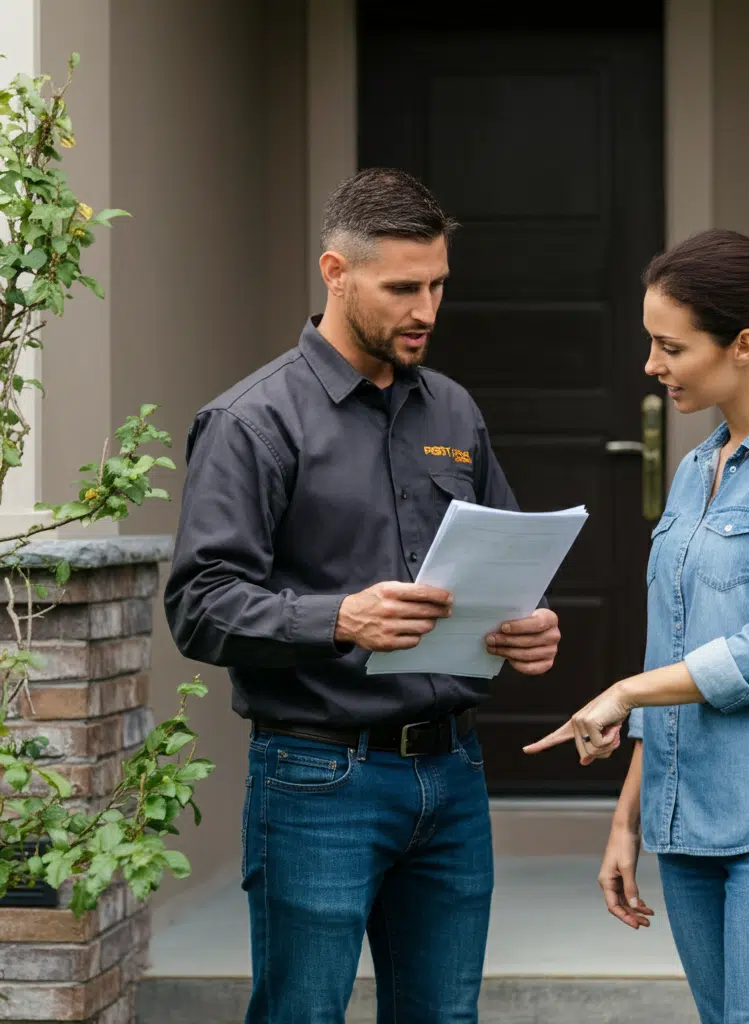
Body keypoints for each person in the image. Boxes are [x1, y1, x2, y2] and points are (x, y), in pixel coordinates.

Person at [164, 168, 561, 1024]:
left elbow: (507, 568)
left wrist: (526, 629)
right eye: (403, 288)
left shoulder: (455, 412)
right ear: (335, 274)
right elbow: (199, 604)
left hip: (452, 773)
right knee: (302, 1015)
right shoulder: (252, 422)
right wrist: (338, 617)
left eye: (439, 286)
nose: (427, 309)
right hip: (317, 777)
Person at [525, 229, 749, 1023]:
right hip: (688, 832)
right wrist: (629, 823)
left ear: (745, 345)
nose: (652, 366)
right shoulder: (695, 470)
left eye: (669, 346)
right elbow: (674, 656)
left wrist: (622, 691)